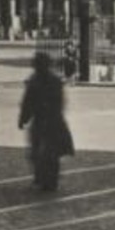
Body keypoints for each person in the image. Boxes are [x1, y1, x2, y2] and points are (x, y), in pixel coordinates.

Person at [18, 51, 74, 193]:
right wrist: (24, 117)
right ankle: (44, 178)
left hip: (48, 120)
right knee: (42, 152)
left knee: (46, 152)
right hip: (49, 120)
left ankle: (47, 179)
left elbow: (28, 103)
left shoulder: (38, 81)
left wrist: (24, 118)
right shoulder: (48, 81)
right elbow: (28, 102)